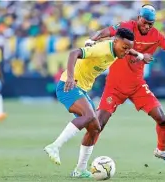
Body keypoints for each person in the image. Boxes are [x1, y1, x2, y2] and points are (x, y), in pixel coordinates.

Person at [78, 4, 165, 173]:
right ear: (139, 18)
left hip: (137, 86)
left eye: (150, 24)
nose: (147, 26)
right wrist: (93, 39)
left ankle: (161, 150)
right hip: (114, 86)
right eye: (145, 22)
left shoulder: (156, 36)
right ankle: (80, 166)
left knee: (162, 119)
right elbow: (106, 32)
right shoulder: (126, 27)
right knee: (97, 126)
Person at [44, 28, 142, 178]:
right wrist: (70, 77)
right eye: (124, 48)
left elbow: (127, 47)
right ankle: (54, 147)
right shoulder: (102, 50)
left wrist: (139, 55)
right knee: (89, 116)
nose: (126, 52)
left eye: (129, 48)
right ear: (115, 42)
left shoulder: (119, 48)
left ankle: (80, 169)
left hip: (82, 89)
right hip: (68, 85)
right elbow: (73, 53)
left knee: (95, 128)